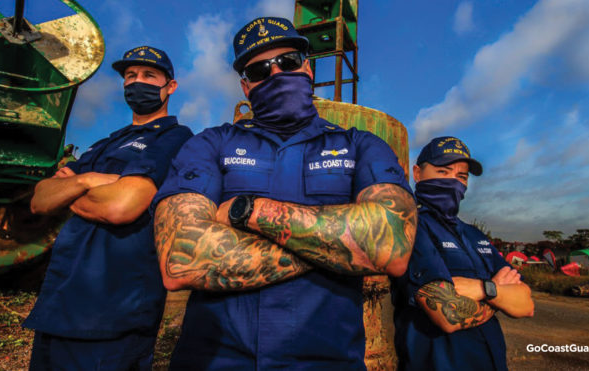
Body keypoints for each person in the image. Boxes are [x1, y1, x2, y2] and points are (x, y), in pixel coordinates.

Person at [152, 17, 417, 370]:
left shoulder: (360, 145)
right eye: (260, 70)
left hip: (326, 362)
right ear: (246, 87)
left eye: (288, 62)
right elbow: (180, 259)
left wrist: (247, 211)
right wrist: (344, 243)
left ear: (307, 68)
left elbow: (392, 245)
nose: (276, 74)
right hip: (213, 361)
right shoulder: (211, 143)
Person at [23, 46, 193, 370]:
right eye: (130, 76)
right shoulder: (105, 143)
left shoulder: (175, 138)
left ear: (170, 86)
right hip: (60, 303)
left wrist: (70, 188)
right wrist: (91, 179)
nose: (136, 82)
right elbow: (40, 199)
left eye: (148, 75)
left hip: (113, 311)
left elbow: (122, 206)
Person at [392, 136, 534, 371]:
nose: (453, 182)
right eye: (443, 172)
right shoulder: (410, 226)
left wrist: (482, 289)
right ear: (417, 173)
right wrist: (498, 294)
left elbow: (526, 303)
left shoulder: (474, 235)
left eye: (461, 176)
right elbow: (448, 315)